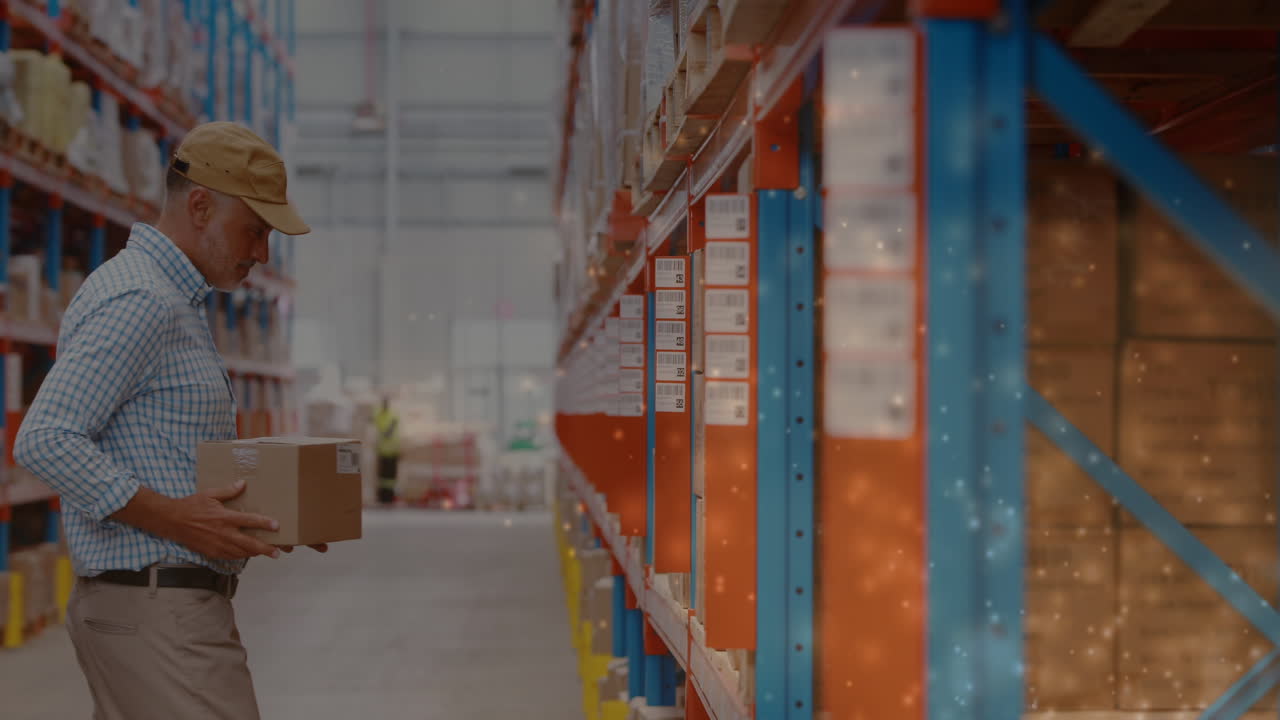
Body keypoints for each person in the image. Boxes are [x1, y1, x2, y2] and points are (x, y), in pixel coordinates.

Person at [14, 122, 314, 720]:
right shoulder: (143, 300)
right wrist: (175, 518)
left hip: (159, 609)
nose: (261, 252)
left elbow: (160, 451)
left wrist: (270, 513)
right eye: (254, 230)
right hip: (158, 615)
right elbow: (45, 438)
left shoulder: (172, 301)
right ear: (200, 205)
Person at [373, 395, 401, 505]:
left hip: (392, 450)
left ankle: (389, 497)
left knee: (391, 477)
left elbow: (390, 431)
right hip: (382, 451)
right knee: (383, 477)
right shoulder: (379, 415)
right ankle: (383, 497)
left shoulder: (393, 415)